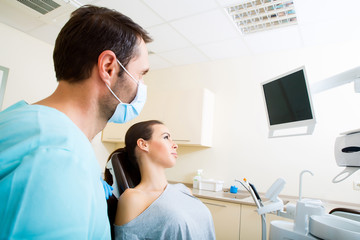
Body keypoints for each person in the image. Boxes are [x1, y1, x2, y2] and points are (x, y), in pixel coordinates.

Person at [0, 5, 152, 239]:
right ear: (109, 68)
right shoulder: (61, 157)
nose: (140, 87)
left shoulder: (18, 120)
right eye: (140, 74)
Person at [105, 120, 216, 239]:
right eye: (166, 137)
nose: (175, 145)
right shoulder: (133, 198)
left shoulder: (185, 190)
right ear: (143, 144)